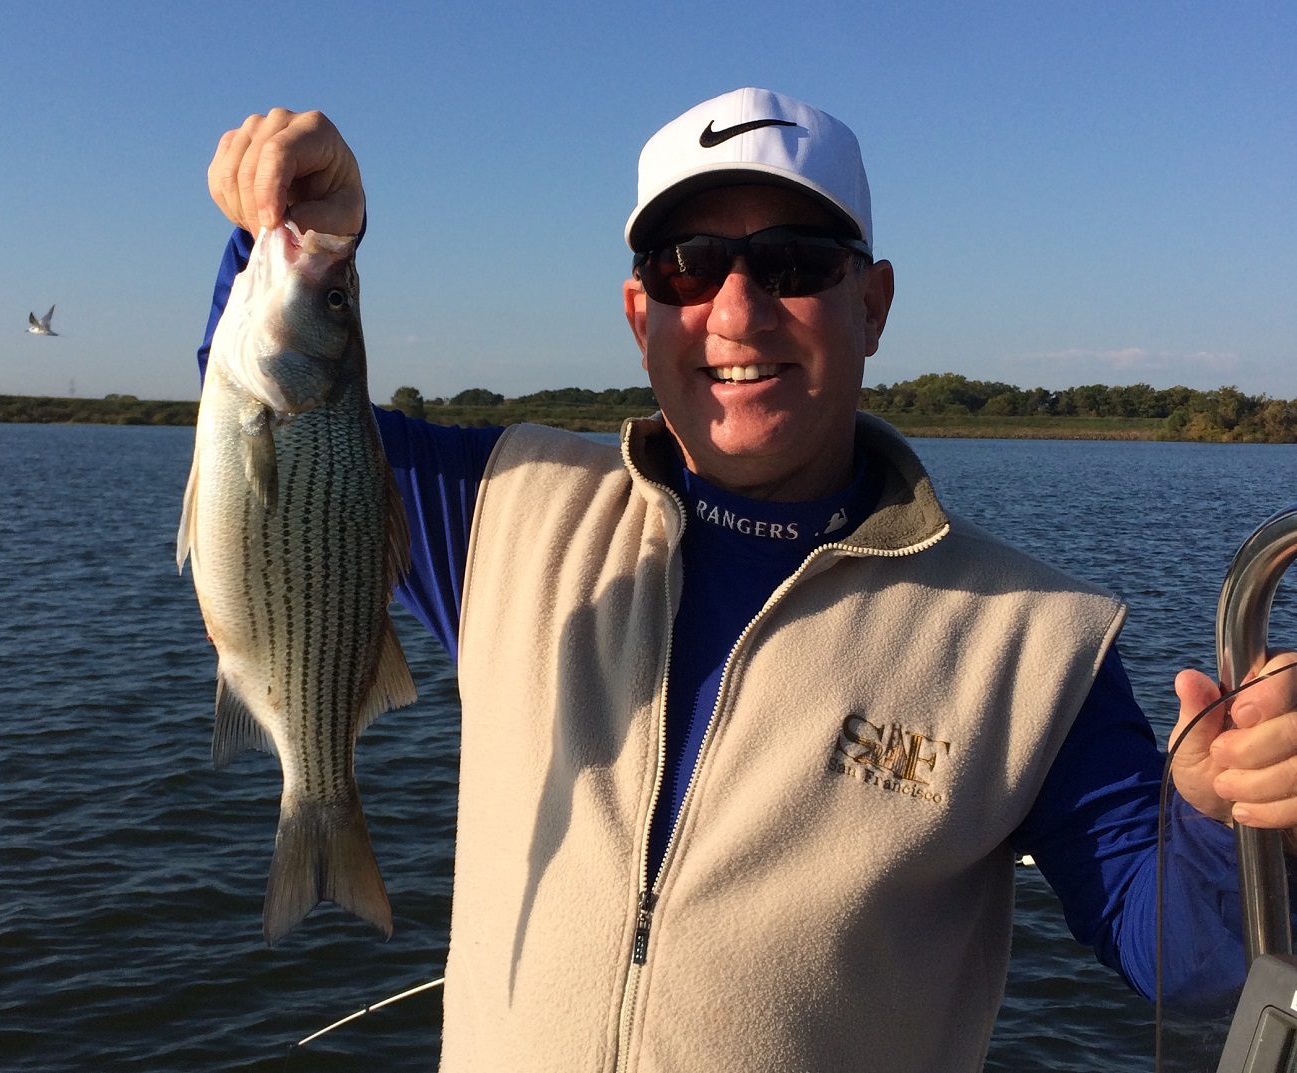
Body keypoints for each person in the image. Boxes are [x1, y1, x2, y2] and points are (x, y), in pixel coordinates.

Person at [198, 88, 1297, 1072]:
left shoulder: (1032, 641)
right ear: (640, 316)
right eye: (683, 264)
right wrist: (295, 232)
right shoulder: (503, 502)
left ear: (870, 304)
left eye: (792, 263)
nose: (734, 309)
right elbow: (268, 432)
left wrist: (1224, 817)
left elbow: (1182, 956)